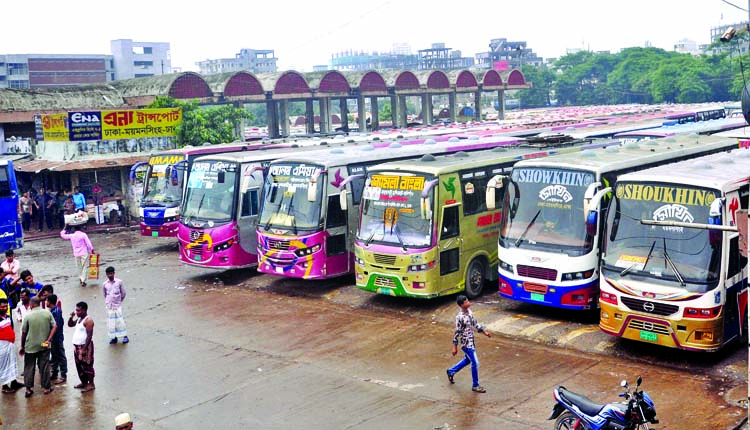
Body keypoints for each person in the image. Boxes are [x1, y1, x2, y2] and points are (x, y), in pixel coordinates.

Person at [446, 295, 491, 393]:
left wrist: (484, 332)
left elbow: (475, 323)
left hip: (472, 341)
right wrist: (454, 347)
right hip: (466, 344)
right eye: (466, 302)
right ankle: (475, 385)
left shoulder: (470, 313)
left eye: (468, 301)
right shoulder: (460, 317)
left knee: (468, 360)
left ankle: (451, 371)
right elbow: (457, 332)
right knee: (475, 363)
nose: (468, 303)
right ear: (462, 305)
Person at [20, 296, 56, 397]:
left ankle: (28, 389)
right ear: (39, 303)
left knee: (29, 367)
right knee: (44, 366)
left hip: (30, 346)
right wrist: (49, 340)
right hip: (44, 345)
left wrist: (22, 346)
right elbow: (54, 326)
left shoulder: (28, 315)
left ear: (31, 304)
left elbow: (23, 333)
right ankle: (46, 388)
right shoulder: (47, 313)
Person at [68, 301, 95, 392]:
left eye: (78, 310)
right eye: (76, 310)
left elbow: (89, 336)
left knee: (87, 366)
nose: (77, 312)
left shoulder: (88, 320)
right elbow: (70, 324)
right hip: (77, 346)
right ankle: (84, 382)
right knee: (79, 366)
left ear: (84, 310)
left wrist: (84, 349)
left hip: (85, 347)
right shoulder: (79, 319)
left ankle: (91, 384)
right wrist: (71, 317)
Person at [0, 298, 24, 393]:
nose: (5, 308)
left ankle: (14, 382)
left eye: (6, 306)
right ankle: (4, 386)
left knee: (12, 363)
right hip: (2, 345)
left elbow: (11, 328)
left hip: (10, 344)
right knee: (3, 365)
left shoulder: (8, 317)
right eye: (2, 306)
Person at [102, 266, 129, 344]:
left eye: (111, 273)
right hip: (109, 306)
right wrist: (108, 302)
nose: (110, 275)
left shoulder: (119, 282)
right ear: (106, 275)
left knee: (120, 321)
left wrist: (119, 302)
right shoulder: (105, 284)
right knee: (111, 322)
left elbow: (123, 293)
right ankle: (114, 338)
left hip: (117, 306)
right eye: (108, 274)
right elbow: (105, 294)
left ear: (114, 273)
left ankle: (125, 336)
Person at [46, 294, 67, 385]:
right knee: (54, 356)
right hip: (54, 339)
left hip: (57, 338)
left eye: (46, 301)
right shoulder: (54, 311)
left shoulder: (56, 312)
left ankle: (63, 375)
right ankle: (54, 373)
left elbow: (56, 326)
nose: (46, 302)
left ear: (49, 302)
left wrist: (50, 337)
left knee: (60, 356)